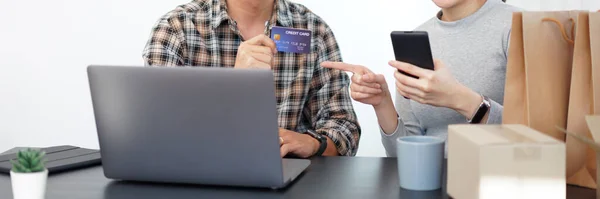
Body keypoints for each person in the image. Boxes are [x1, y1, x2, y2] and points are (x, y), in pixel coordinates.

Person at [142, 0, 361, 157]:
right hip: (197, 176)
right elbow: (158, 133)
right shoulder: (176, 28)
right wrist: (233, 84)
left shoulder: (314, 30)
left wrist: (313, 143)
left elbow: (344, 127)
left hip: (287, 177)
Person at [322, 0, 520, 156]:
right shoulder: (419, 37)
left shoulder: (519, 26)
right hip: (430, 184)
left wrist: (460, 99)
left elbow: (540, 138)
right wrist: (382, 103)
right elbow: (403, 156)